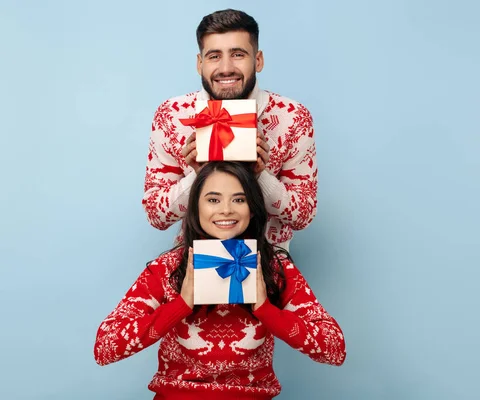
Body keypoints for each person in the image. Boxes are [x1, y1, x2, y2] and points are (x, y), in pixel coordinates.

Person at [96, 162, 345, 399]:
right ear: (196, 207)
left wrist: (265, 309)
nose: (226, 209)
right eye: (213, 199)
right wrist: (180, 305)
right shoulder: (167, 268)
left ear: (253, 208)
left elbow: (334, 349)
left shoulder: (274, 267)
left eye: (239, 199)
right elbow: (105, 348)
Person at [143, 9, 318, 251]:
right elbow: (156, 216)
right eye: (214, 56)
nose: (226, 68)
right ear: (199, 63)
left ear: (258, 60)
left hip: (270, 263)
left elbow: (303, 216)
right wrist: (199, 175)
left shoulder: (292, 117)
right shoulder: (173, 115)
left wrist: (260, 176)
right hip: (194, 262)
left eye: (238, 54)